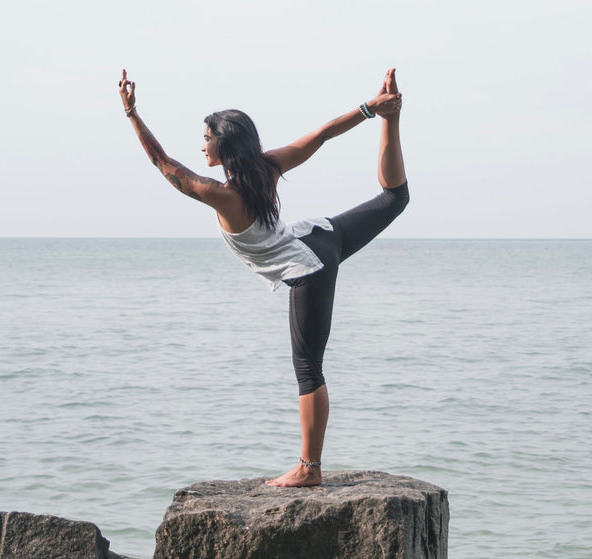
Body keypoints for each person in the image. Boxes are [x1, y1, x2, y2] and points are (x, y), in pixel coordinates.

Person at [118, 67, 408, 487]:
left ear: (225, 142)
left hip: (308, 267)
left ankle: (309, 469)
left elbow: (164, 164)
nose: (201, 146)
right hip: (323, 235)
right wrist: (373, 108)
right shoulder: (267, 167)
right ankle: (392, 119)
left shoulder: (223, 195)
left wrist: (131, 113)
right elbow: (323, 134)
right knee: (394, 198)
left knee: (308, 368)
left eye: (206, 139)